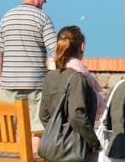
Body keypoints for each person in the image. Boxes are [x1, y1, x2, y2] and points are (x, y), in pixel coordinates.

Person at [0, 0, 58, 154]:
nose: (45, 1)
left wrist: (0, 78)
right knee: (36, 126)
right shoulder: (42, 18)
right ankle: (31, 157)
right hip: (35, 83)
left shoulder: (6, 16)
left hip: (8, 83)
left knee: (6, 127)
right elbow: (56, 49)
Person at [39, 26, 101, 161]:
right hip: (77, 151)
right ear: (82, 46)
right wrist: (94, 142)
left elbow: (43, 115)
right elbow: (76, 116)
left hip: (54, 150)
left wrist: (59, 135)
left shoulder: (50, 76)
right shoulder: (78, 78)